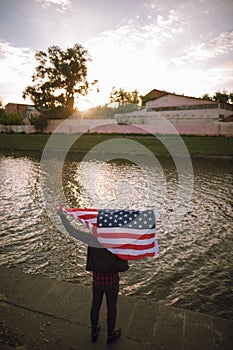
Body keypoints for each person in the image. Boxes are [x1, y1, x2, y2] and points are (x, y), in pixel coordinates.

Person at [57, 208, 129, 345]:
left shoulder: (91, 238)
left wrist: (62, 216)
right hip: (112, 282)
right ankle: (110, 335)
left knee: (95, 306)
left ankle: (94, 332)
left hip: (97, 281)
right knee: (112, 308)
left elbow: (72, 231)